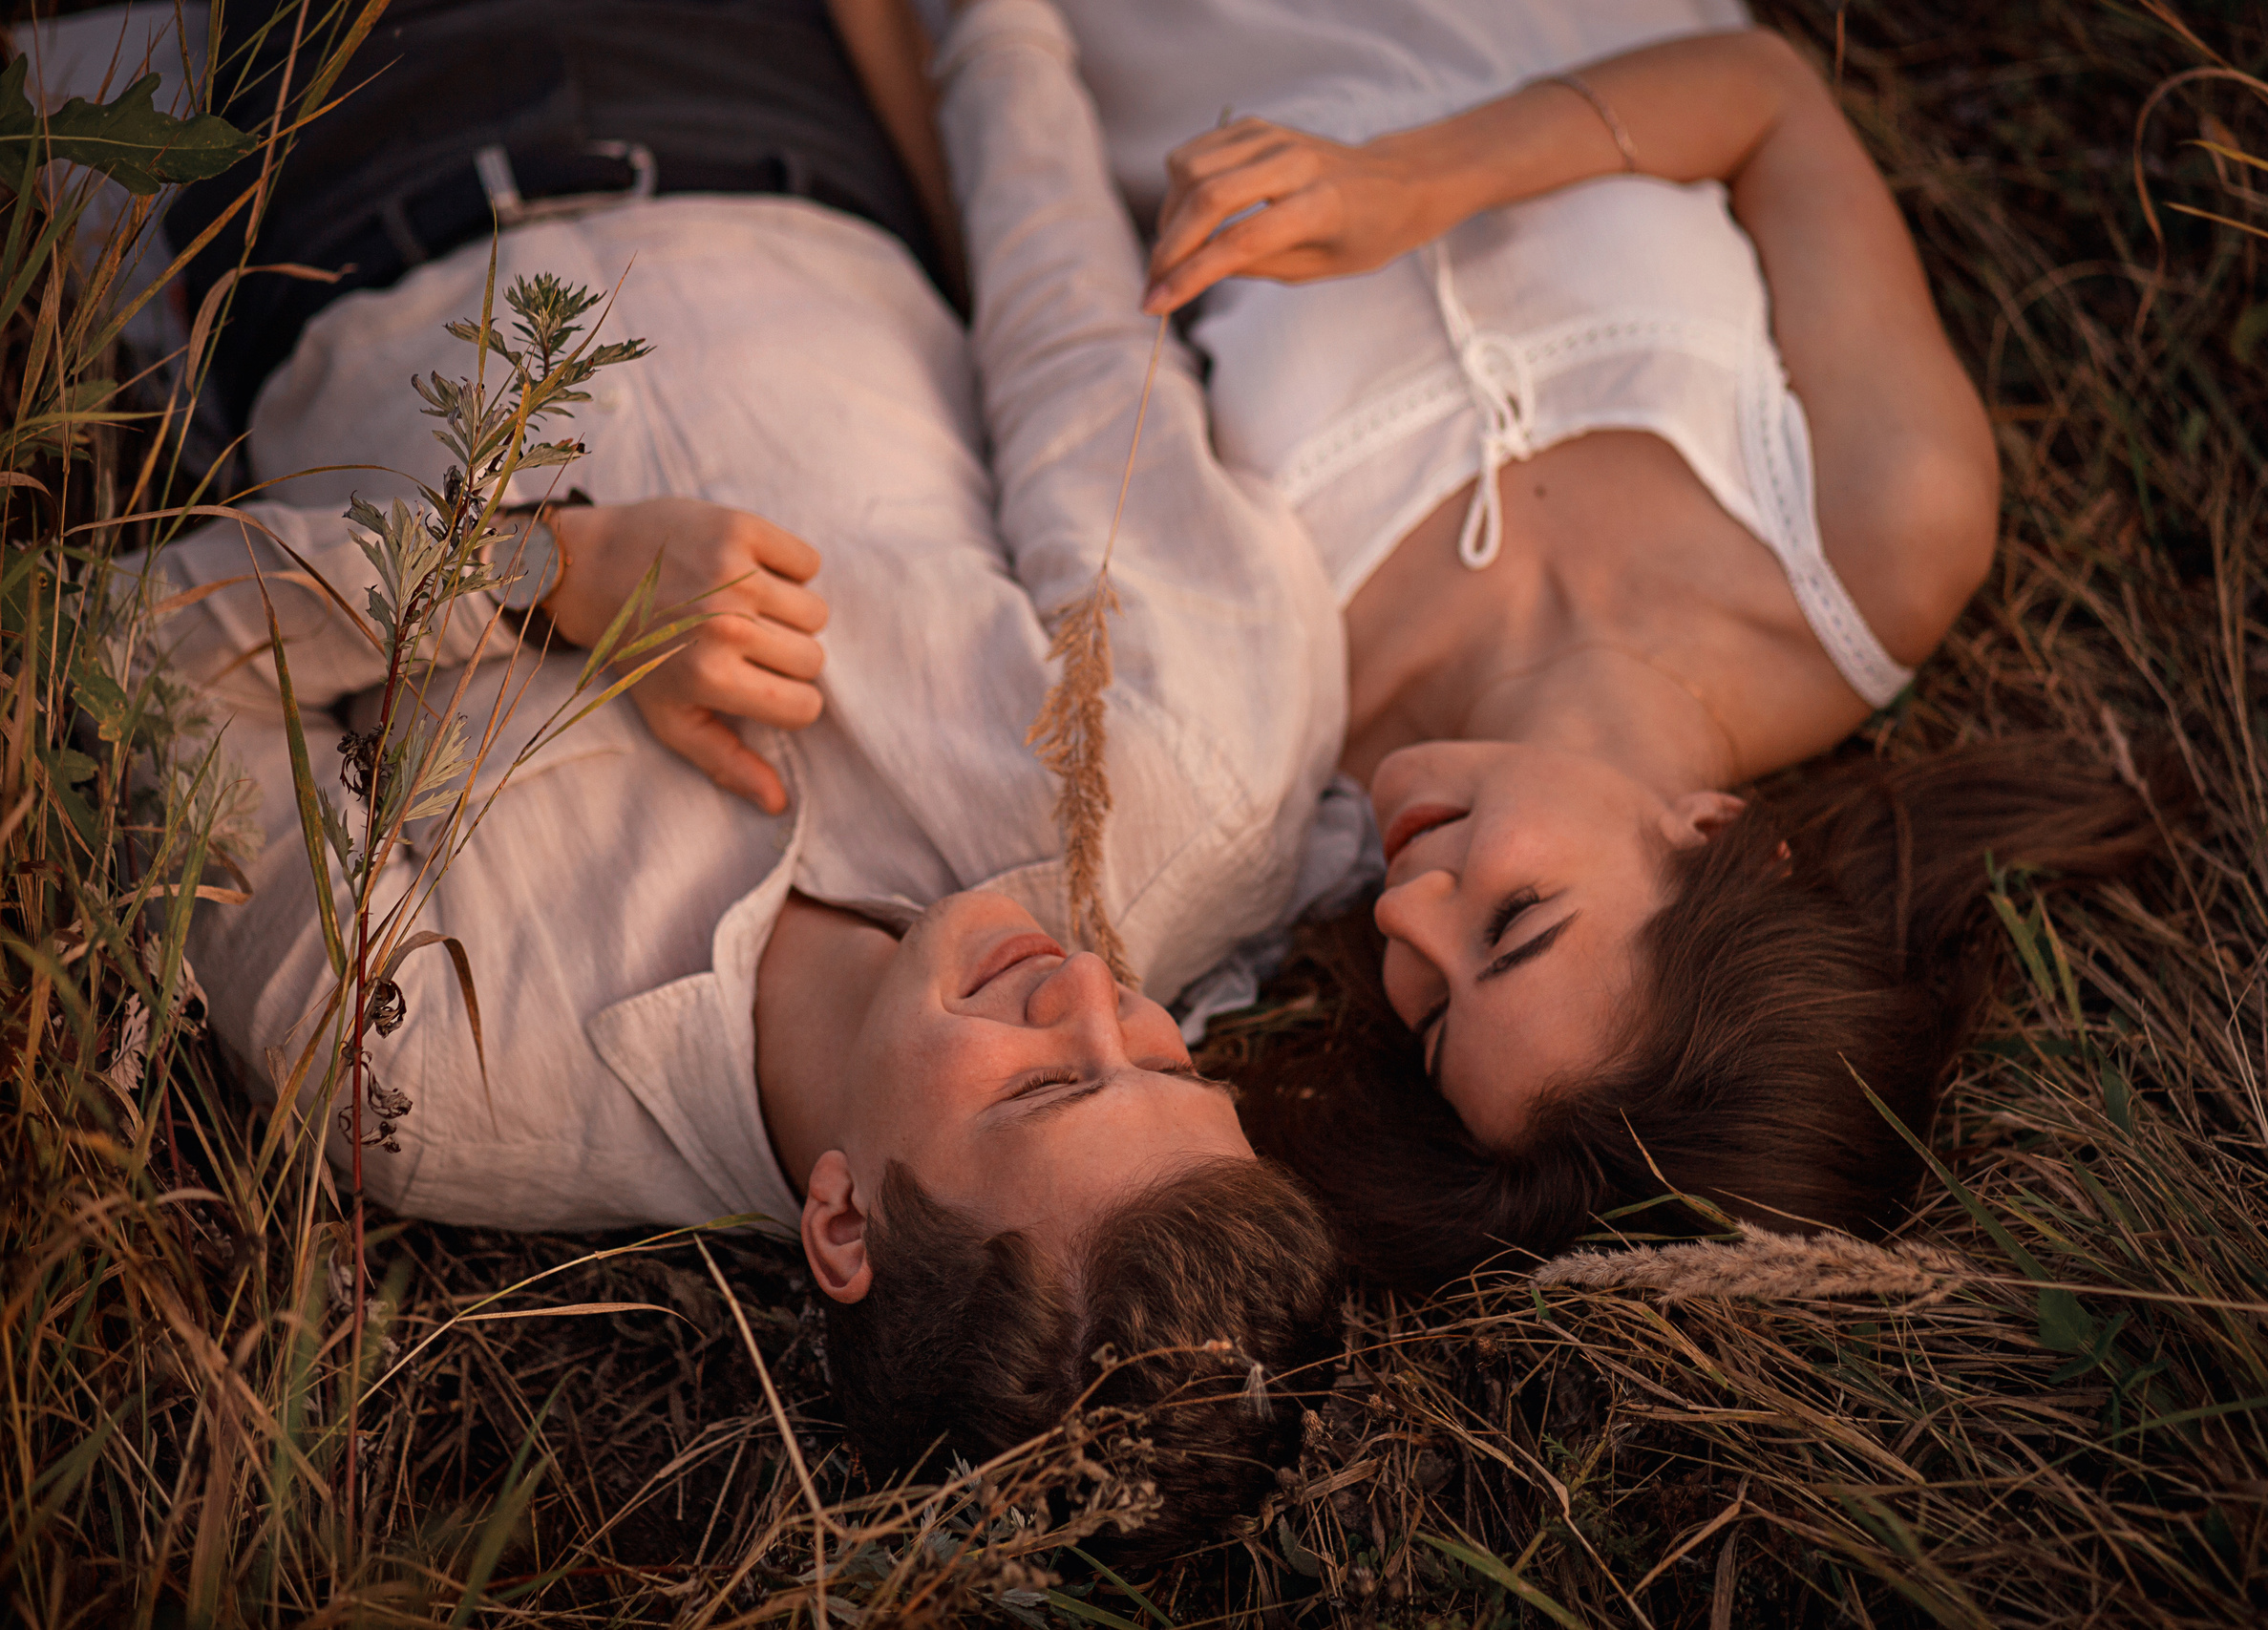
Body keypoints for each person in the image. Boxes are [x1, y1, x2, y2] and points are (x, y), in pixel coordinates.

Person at [95, 0, 1345, 1545]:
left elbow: (132, 652)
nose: (1096, 992)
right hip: (762, 89)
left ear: (843, 1222)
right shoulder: (1184, 782)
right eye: (1169, 1063)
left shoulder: (417, 1063)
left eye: (1044, 1090)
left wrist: (543, 567)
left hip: (336, 160)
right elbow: (1076, 334)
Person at [1031, 0, 2173, 1285]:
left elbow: (1046, 313)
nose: (1405, 917)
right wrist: (1413, 179)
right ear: (1715, 834)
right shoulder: (1886, 536)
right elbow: (1765, 96)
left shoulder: (1287, 743)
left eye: (1439, 1016)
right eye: (1515, 926)